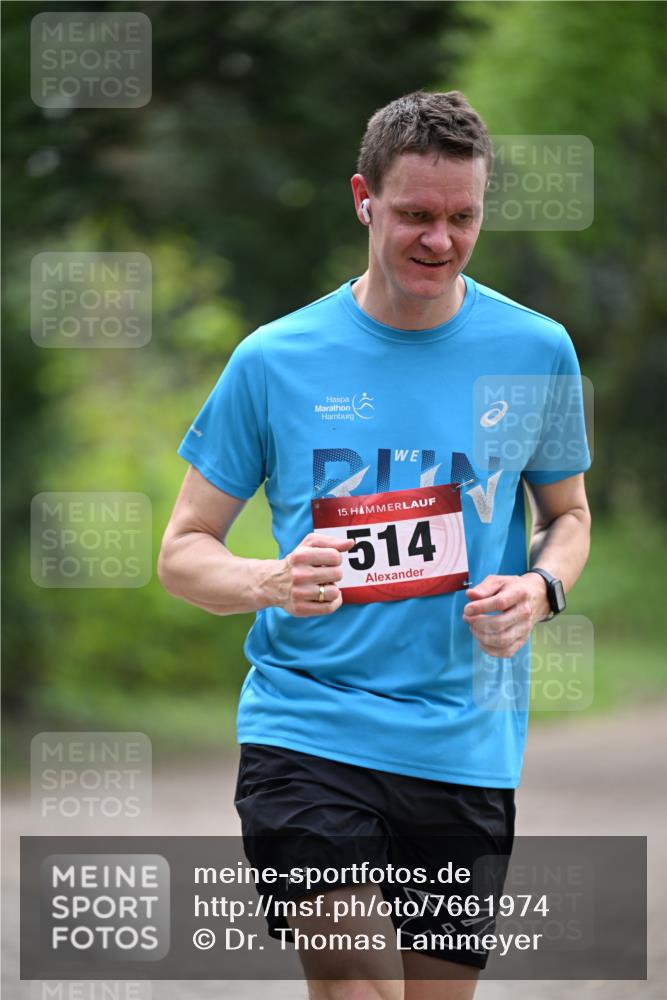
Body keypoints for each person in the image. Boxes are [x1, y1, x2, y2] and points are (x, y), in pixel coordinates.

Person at [158, 90, 591, 999]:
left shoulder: (535, 349)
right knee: (356, 985)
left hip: (462, 740)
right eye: (415, 215)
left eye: (461, 217)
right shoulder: (274, 359)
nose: (439, 239)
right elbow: (184, 550)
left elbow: (568, 516)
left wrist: (541, 589)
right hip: (305, 724)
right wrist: (268, 578)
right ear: (363, 198)